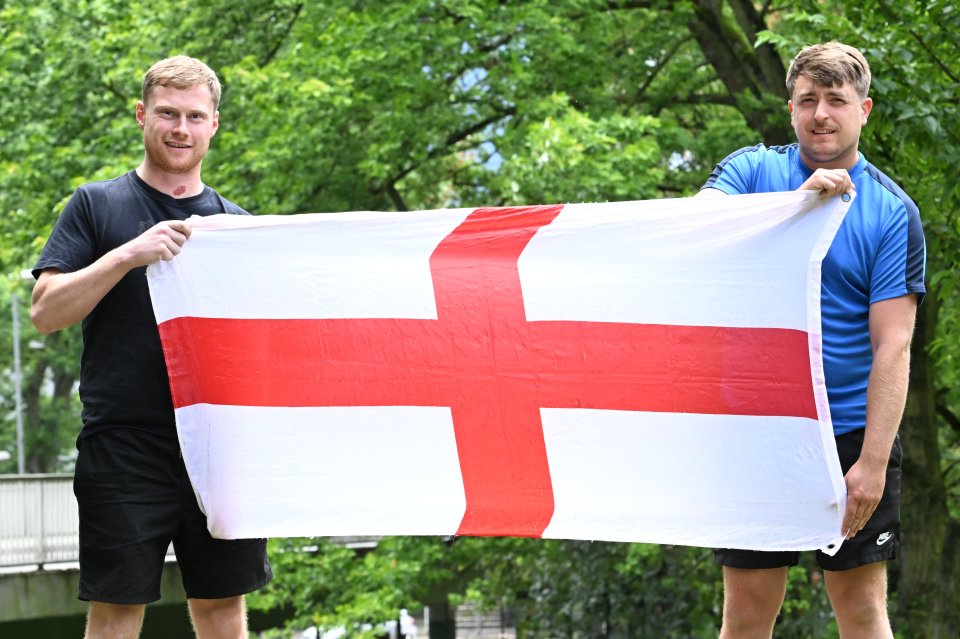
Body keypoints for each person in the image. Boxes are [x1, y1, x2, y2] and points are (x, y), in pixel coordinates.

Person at [30, 56, 272, 639]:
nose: (179, 128)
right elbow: (45, 312)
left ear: (214, 124)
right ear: (143, 116)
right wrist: (125, 256)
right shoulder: (96, 205)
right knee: (116, 611)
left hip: (219, 448)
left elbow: (266, 349)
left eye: (194, 116)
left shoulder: (240, 227)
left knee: (222, 610)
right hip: (125, 447)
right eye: (167, 113)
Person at [697, 42, 925, 638]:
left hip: (849, 431)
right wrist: (792, 206)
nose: (821, 113)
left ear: (864, 109)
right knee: (746, 612)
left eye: (836, 100)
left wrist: (872, 464)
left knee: (861, 609)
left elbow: (893, 347)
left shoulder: (893, 212)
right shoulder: (752, 172)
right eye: (807, 100)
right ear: (791, 108)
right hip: (756, 425)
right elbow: (695, 229)